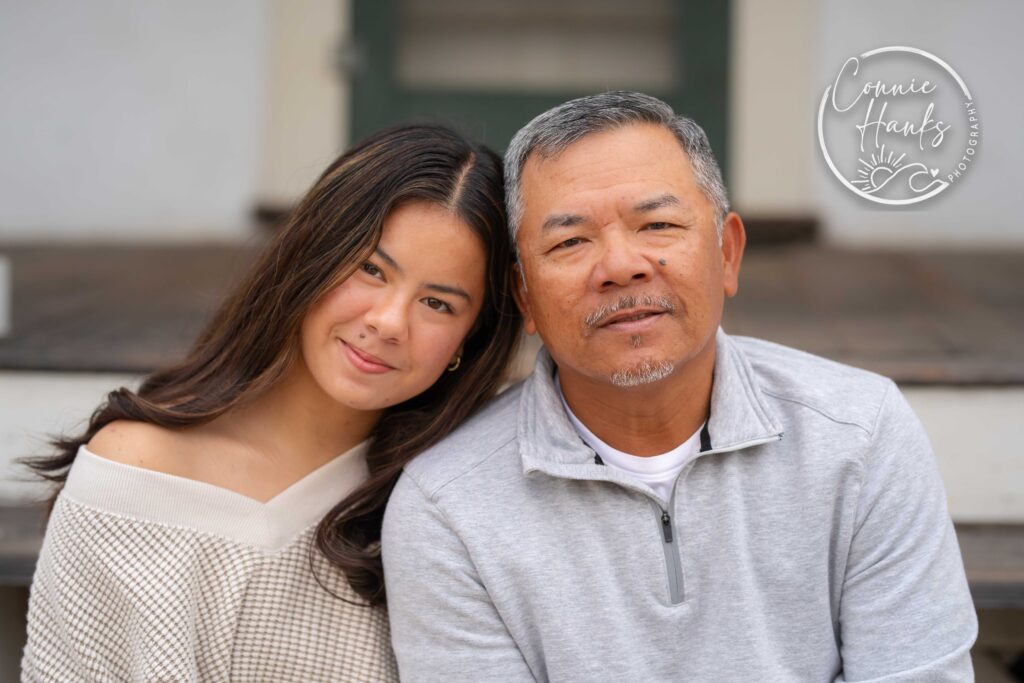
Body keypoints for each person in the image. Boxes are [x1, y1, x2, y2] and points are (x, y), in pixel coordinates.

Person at [382, 92, 978, 682]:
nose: (620, 265)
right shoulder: (448, 507)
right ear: (524, 296)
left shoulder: (860, 433)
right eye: (569, 241)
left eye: (658, 224)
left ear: (728, 253)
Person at [21, 123, 521, 682]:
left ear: (468, 341)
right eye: (371, 269)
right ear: (311, 257)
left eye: (438, 303)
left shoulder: (446, 501)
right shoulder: (136, 470)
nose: (388, 323)